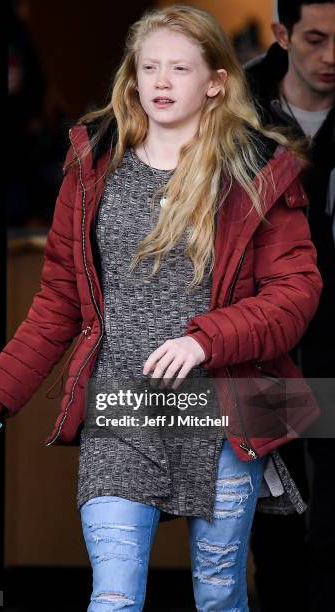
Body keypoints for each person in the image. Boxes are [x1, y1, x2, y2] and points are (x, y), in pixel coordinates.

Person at [0, 5, 322, 611]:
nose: (159, 80)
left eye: (179, 68)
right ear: (131, 77)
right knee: (115, 596)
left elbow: (295, 294)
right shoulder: (92, 162)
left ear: (215, 82)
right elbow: (58, 303)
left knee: (218, 595)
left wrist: (205, 339)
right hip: (121, 409)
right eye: (148, 66)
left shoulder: (259, 169)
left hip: (224, 412)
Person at [245, 2, 335, 610]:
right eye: (315, 39)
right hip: (263, 336)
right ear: (282, 34)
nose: (331, 58)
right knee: (272, 511)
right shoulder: (237, 110)